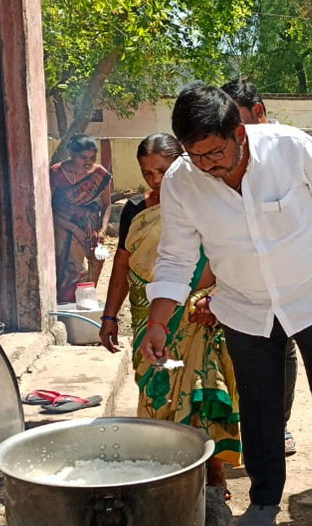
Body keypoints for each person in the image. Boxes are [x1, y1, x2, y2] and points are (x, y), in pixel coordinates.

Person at [138, 85, 312, 526]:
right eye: (196, 156)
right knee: (259, 407)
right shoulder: (183, 181)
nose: (209, 166)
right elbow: (178, 257)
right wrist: (159, 320)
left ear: (240, 131)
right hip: (245, 307)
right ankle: (264, 500)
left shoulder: (289, 147)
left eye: (216, 152)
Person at [98, 134, 242, 493]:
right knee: (157, 392)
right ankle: (168, 472)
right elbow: (122, 267)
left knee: (203, 392)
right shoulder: (135, 210)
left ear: (182, 164)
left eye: (163, 170)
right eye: (148, 173)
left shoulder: (207, 199)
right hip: (151, 316)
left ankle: (215, 474)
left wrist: (216, 296)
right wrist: (109, 316)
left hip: (200, 314)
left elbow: (230, 255)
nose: (156, 180)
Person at [222, 78, 299, 458]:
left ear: (260, 112)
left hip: (290, 277)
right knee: (250, 360)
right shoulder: (225, 157)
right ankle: (254, 432)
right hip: (241, 281)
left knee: (284, 351)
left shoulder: (291, 149)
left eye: (238, 121)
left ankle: (280, 425)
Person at [50, 135, 113, 303]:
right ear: (72, 155)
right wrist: (72, 228)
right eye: (83, 157)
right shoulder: (57, 172)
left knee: (97, 258)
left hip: (89, 225)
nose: (88, 162)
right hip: (62, 224)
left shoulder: (99, 174)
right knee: (70, 268)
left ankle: (87, 297)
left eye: (92, 158)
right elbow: (47, 207)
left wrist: (103, 230)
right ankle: (66, 303)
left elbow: (107, 204)